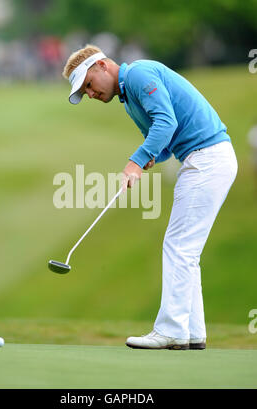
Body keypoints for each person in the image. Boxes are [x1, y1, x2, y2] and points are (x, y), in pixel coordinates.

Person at [62, 45, 238, 350]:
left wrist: (135, 160)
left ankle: (171, 330)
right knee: (185, 250)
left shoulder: (140, 74)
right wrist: (150, 156)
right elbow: (166, 141)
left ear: (102, 65)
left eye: (89, 85)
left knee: (179, 247)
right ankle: (192, 332)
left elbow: (166, 122)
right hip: (204, 158)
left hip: (208, 158)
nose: (90, 94)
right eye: (84, 92)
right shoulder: (128, 98)